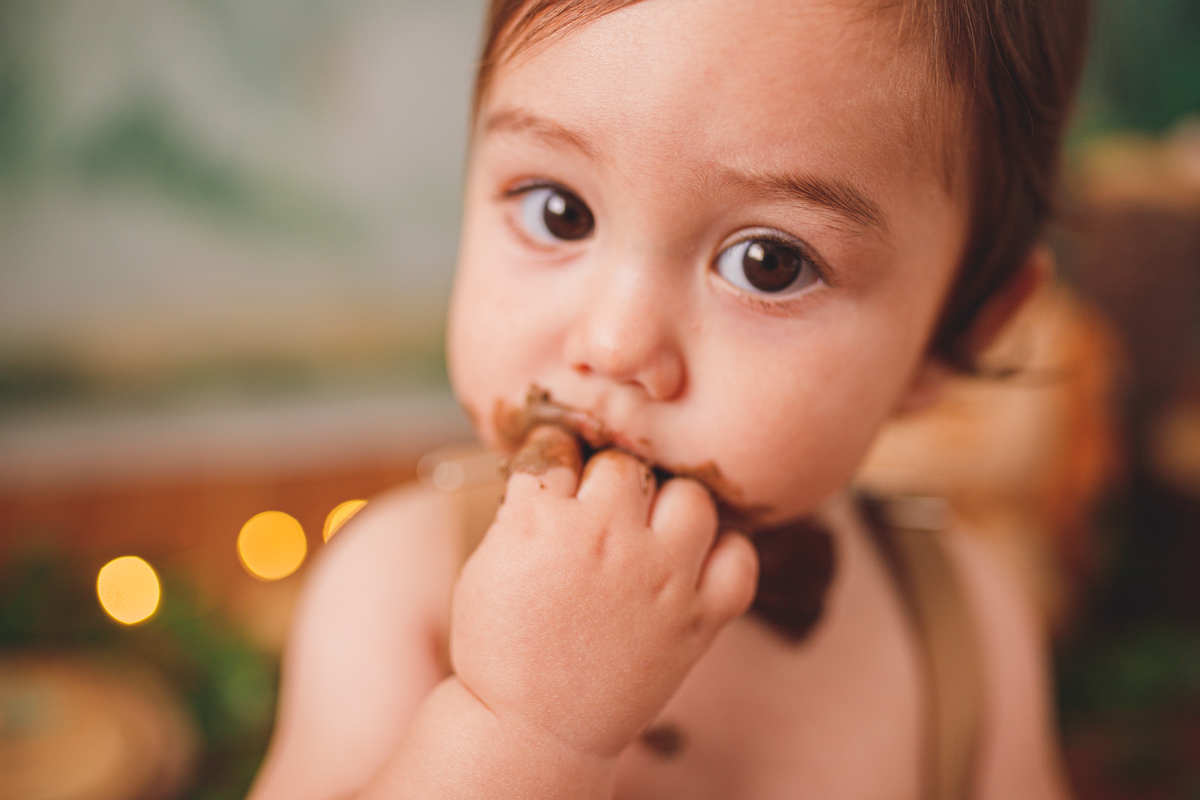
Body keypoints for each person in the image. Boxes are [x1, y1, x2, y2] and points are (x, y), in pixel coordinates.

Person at [248, 0, 1091, 797]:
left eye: (770, 263)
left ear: (962, 332)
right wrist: (527, 731)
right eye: (559, 210)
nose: (613, 345)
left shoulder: (967, 626)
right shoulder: (399, 589)